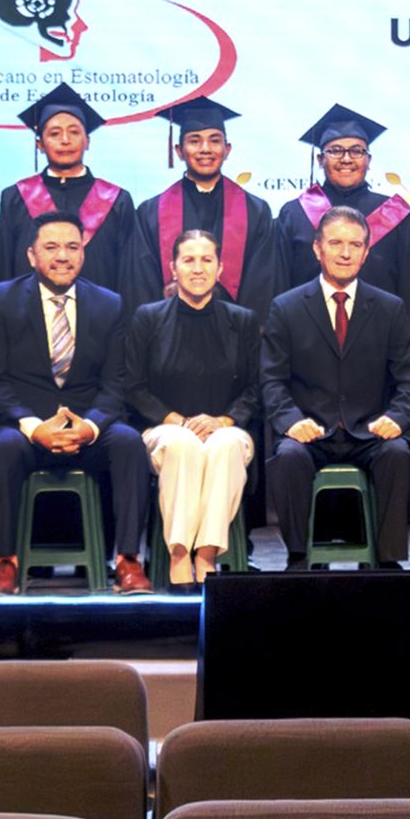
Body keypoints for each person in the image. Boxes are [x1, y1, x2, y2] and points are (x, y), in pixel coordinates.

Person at [0, 210, 155, 595]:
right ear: (31, 255)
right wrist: (33, 426)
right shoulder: (2, 299)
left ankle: (127, 560)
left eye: (72, 247)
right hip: (25, 427)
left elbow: (115, 382)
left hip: (86, 427)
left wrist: (90, 426)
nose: (62, 256)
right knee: (2, 448)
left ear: (83, 253)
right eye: (51, 247)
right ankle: (5, 562)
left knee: (127, 442)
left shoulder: (108, 304)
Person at [262, 206, 410, 569]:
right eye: (335, 243)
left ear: (366, 252)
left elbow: (408, 381)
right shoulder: (286, 307)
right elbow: (271, 379)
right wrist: (291, 421)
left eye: (355, 245)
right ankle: (299, 558)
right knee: (287, 457)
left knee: (398, 454)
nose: (345, 253)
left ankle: (388, 562)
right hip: (310, 431)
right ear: (317, 248)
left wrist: (397, 418)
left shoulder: (390, 308)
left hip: (370, 431)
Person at [117, 228, 263, 585]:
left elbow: (257, 387)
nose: (198, 268)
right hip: (164, 430)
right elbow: (133, 385)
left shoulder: (242, 321)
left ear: (220, 268)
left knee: (225, 446)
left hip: (226, 428)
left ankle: (207, 554)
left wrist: (223, 421)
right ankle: (179, 554)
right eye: (188, 260)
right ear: (173, 268)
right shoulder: (148, 318)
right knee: (182, 444)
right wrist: (178, 421)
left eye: (207, 260)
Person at [275, 105, 410, 344]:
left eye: (357, 151)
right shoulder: (294, 213)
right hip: (306, 341)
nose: (346, 159)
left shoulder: (395, 214)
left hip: (382, 341)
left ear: (369, 160)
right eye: (335, 151)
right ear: (320, 160)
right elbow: (280, 283)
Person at [123, 95, 280, 315]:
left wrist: (242, 327)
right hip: (168, 330)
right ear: (179, 151)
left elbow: (261, 284)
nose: (205, 149)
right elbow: (142, 283)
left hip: (234, 330)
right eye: (195, 141)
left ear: (227, 149)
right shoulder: (150, 213)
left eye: (215, 141)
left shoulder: (256, 211)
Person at [0, 81, 138, 302]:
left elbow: (130, 275)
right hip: (26, 317)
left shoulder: (117, 200)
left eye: (74, 132)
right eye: (54, 133)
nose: (65, 140)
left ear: (87, 141)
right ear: (40, 145)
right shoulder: (15, 197)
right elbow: (2, 269)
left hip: (101, 317)